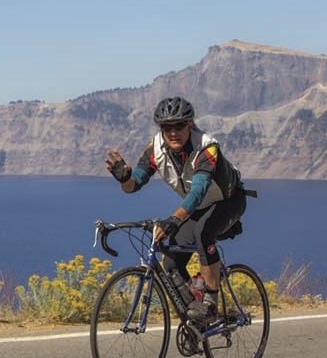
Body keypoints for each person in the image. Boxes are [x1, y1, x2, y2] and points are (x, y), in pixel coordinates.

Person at [105, 96, 248, 323]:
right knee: (169, 257)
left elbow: (198, 192)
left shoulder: (206, 147)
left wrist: (173, 220)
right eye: (167, 127)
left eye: (179, 125)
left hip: (228, 201)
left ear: (190, 125)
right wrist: (124, 178)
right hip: (198, 207)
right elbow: (134, 184)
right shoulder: (156, 149)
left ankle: (210, 303)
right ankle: (195, 310)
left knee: (203, 234)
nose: (173, 132)